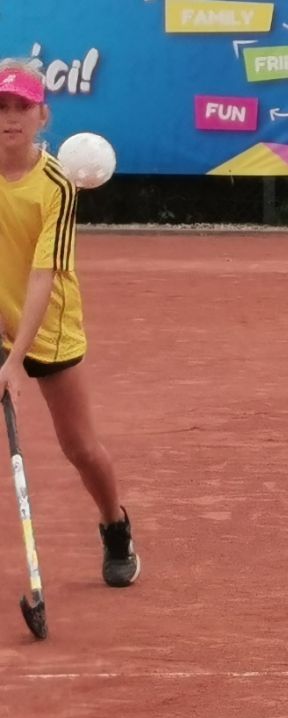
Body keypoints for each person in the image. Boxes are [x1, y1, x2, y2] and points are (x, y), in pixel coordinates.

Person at [0, 60, 138, 586]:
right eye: (2, 107)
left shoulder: (56, 183)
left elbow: (43, 274)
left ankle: (114, 524)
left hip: (48, 327)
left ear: (43, 116)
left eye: (23, 107)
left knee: (79, 447)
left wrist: (15, 360)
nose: (11, 117)